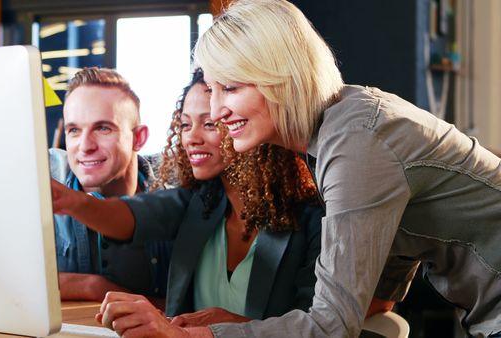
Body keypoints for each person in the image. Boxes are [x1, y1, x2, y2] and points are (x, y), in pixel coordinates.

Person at [108, 0, 501, 337]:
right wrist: (233, 326)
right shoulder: (340, 130)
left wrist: (192, 334)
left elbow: (332, 327)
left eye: (231, 88)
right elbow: (378, 295)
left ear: (281, 76)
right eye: (212, 88)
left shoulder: (357, 142)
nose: (215, 111)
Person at [51, 69, 324, 335]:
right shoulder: (198, 202)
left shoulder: (313, 218)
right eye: (184, 124)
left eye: (209, 124)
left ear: (243, 123)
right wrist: (72, 201)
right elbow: (132, 215)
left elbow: (321, 327)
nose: (191, 138)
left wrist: (229, 327)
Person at [50, 67, 171, 303]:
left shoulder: (174, 201)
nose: (85, 146)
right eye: (74, 130)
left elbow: (187, 310)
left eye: (103, 128)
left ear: (139, 138)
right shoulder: (43, 181)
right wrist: (90, 286)